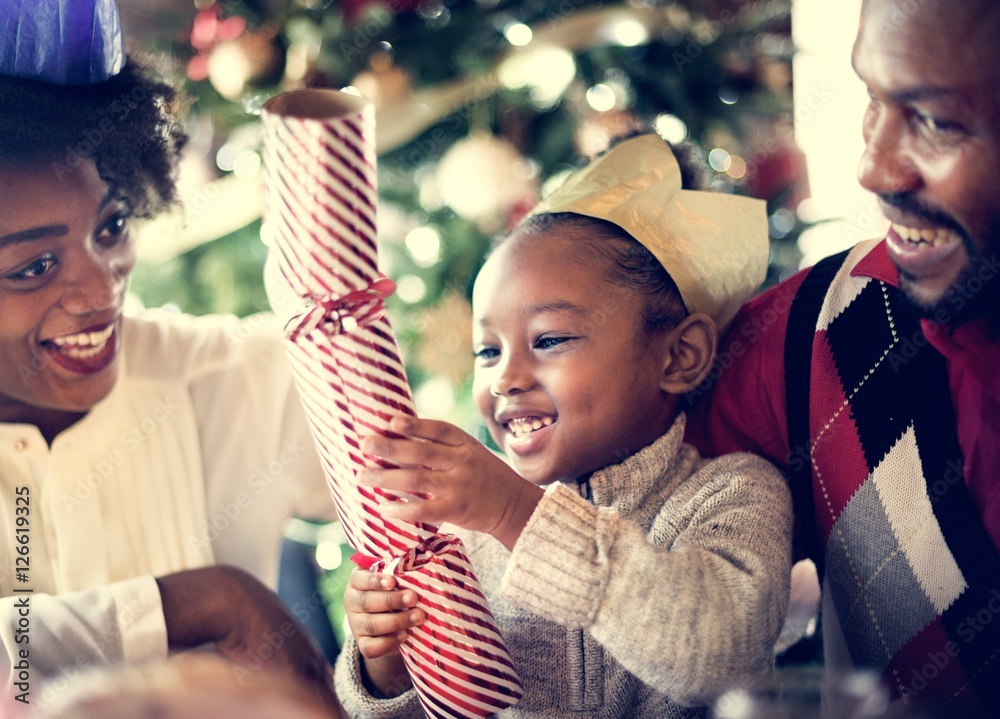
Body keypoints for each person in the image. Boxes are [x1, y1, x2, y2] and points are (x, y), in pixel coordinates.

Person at [331, 133, 794, 718]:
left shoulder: (731, 495)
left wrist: (515, 514)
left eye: (549, 340)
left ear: (678, 356)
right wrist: (386, 671)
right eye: (488, 352)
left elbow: (717, 658)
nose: (504, 380)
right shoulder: (461, 541)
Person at [0, 0, 339, 710]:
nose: (100, 287)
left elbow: (466, 520)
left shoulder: (243, 378)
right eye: (32, 267)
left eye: (112, 224)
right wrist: (200, 601)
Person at [685, 0, 1000, 713]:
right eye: (874, 99)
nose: (873, 167)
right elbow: (618, 577)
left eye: (936, 120)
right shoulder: (820, 330)